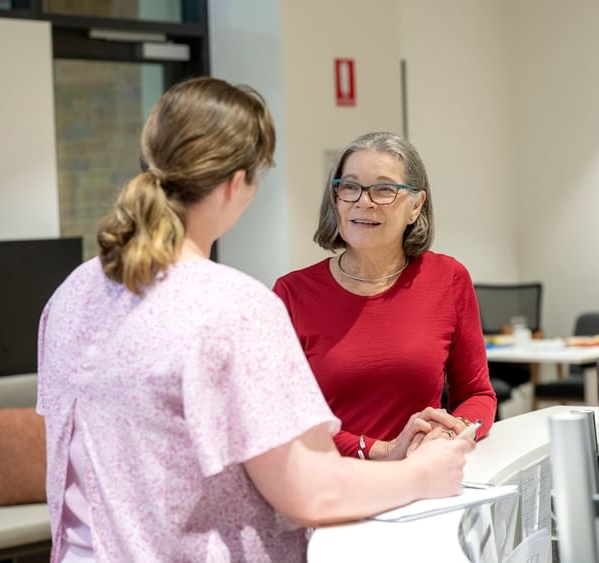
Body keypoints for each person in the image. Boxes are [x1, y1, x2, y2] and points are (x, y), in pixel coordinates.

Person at [37, 78, 473, 562]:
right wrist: (423, 474)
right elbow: (311, 491)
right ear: (237, 182)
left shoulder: (73, 293)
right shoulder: (235, 308)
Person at [273, 131, 497, 461]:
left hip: (420, 485)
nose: (364, 201)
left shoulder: (449, 279)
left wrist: (449, 432)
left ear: (416, 205)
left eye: (383, 189)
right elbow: (282, 420)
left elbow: (477, 394)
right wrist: (382, 450)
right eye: (349, 187)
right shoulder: (291, 294)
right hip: (330, 485)